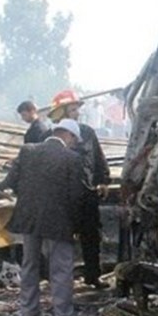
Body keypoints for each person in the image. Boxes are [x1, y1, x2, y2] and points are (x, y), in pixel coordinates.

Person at [2, 119, 84, 316]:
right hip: (59, 221)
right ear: (69, 135)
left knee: (30, 264)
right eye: (75, 140)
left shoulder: (28, 150)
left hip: (29, 217)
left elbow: (10, 182)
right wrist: (77, 226)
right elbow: (76, 196)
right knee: (61, 268)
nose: (75, 144)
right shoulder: (72, 158)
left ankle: (28, 311)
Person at [48, 90, 111, 289]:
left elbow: (97, 157)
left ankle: (93, 275)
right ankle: (60, 279)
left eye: (77, 109)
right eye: (73, 109)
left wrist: (103, 180)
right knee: (61, 238)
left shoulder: (87, 132)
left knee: (91, 235)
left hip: (87, 192)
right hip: (62, 195)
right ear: (61, 112)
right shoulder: (50, 136)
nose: (77, 113)